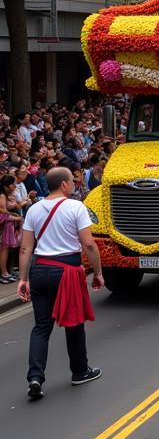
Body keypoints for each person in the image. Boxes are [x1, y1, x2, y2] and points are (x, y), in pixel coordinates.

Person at [17, 166, 104, 399]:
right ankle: (79, 371)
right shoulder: (76, 207)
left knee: (41, 327)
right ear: (64, 184)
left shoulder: (34, 209)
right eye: (72, 181)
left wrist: (23, 278)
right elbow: (89, 245)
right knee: (74, 324)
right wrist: (98, 272)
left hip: (40, 270)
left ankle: (35, 377)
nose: (75, 183)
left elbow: (26, 247)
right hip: (67, 271)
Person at [0, 176, 21, 283]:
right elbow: (3, 215)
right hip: (4, 228)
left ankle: (6, 272)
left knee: (6, 250)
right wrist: (17, 218)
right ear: (6, 186)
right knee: (4, 250)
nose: (14, 186)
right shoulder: (2, 196)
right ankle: (4, 274)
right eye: (12, 184)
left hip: (8, 226)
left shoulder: (6, 195)